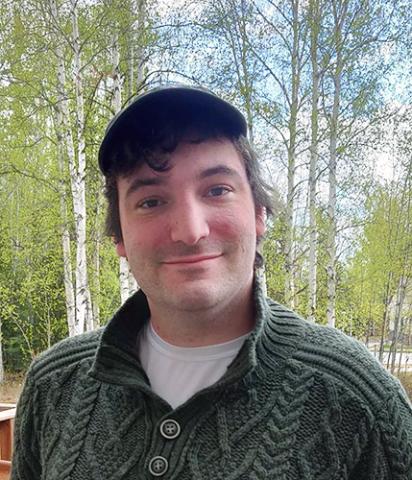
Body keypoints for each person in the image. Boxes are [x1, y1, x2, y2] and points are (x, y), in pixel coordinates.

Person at [11, 84, 412, 480]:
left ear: (258, 214)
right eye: (151, 201)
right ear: (119, 236)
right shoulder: (53, 385)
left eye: (217, 190)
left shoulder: (358, 398)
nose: (190, 230)